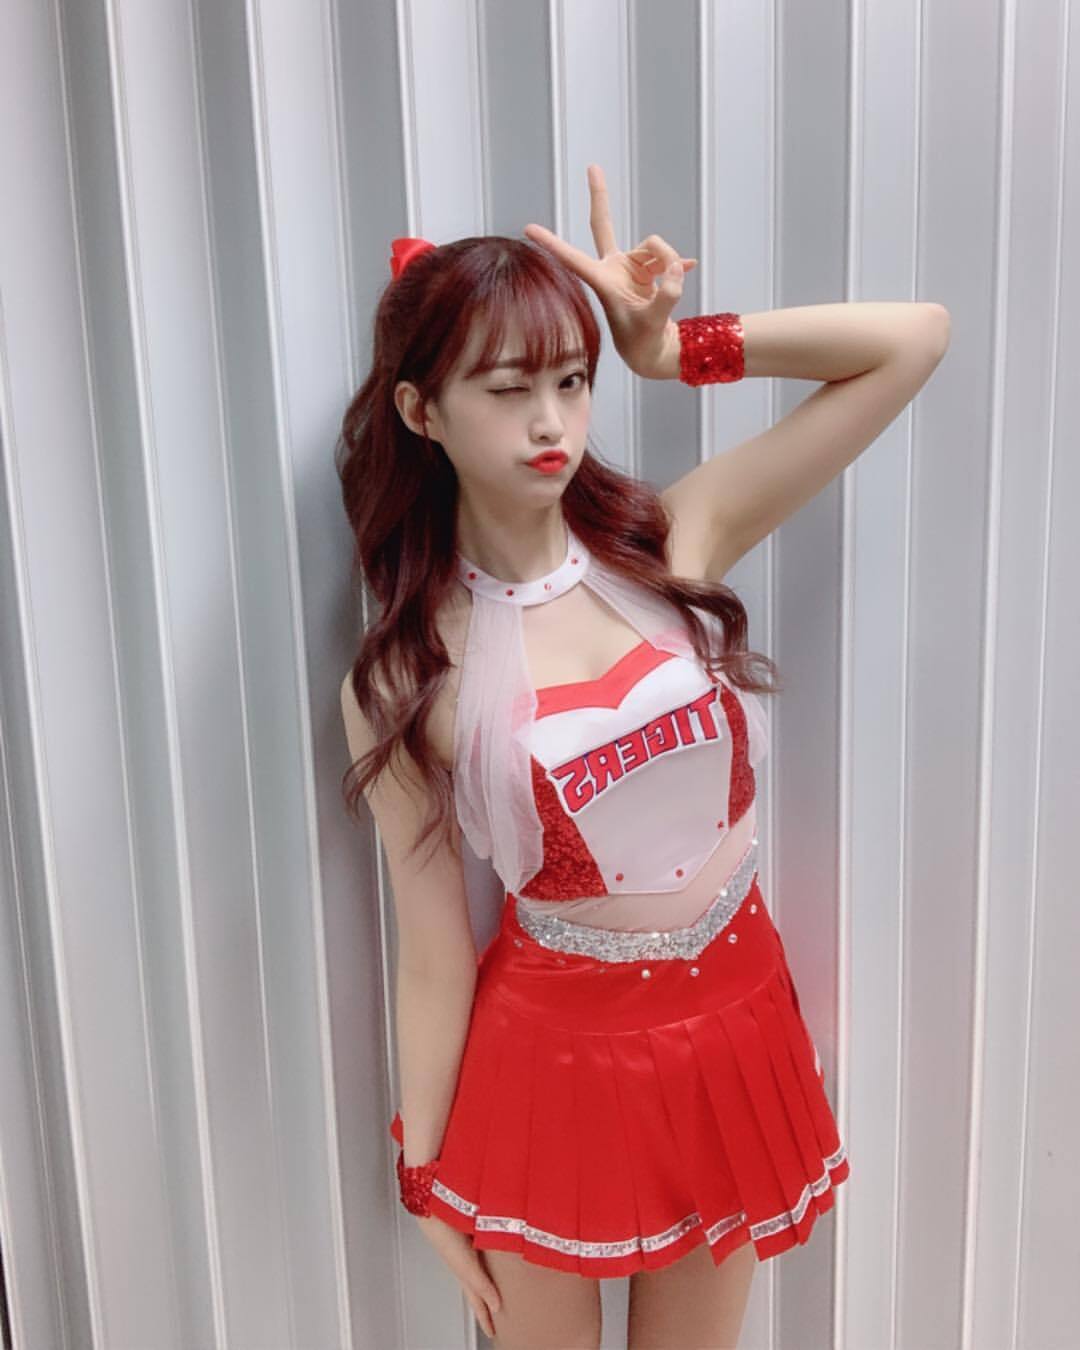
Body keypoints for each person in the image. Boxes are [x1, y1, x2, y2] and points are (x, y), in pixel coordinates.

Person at [338, 163, 950, 1349]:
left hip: (732, 1023)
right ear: (421, 411)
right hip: (548, 1064)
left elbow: (912, 341)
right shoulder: (407, 678)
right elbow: (433, 954)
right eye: (508, 388)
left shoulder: (672, 544)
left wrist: (673, 352)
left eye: (571, 381)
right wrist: (425, 1174)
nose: (552, 423)